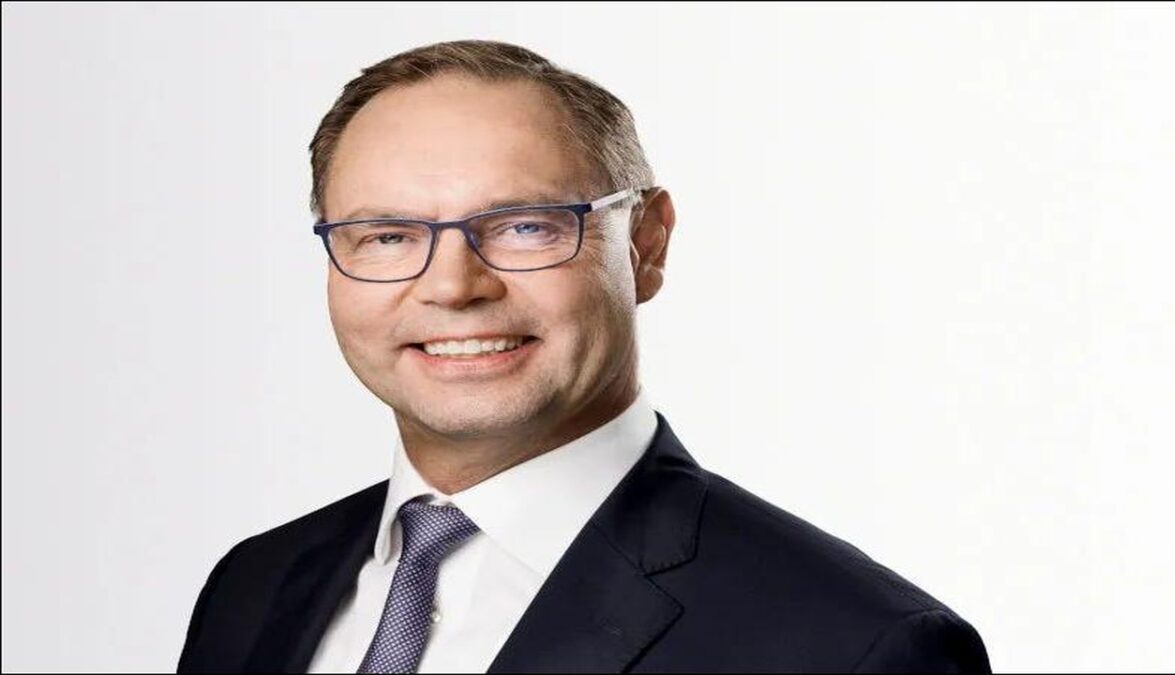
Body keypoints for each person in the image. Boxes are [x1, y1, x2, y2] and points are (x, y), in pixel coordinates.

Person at [177, 39, 991, 674]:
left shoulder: (855, 645)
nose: (453, 286)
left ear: (647, 244)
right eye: (387, 236)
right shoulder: (252, 587)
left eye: (525, 226)